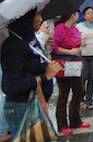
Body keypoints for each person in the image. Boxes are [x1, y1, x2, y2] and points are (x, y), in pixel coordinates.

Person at [1, 9, 61, 138]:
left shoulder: (28, 37)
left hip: (35, 103)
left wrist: (45, 54)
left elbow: (31, 63)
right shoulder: (13, 46)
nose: (40, 18)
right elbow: (10, 86)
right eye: (36, 15)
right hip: (22, 107)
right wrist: (45, 77)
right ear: (25, 19)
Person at [53, 12, 91, 136]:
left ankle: (75, 121)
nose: (78, 16)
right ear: (71, 15)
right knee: (64, 94)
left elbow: (75, 43)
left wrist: (80, 45)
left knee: (79, 91)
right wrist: (70, 51)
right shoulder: (59, 29)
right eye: (76, 14)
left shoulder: (74, 28)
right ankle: (62, 124)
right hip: (63, 65)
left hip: (75, 64)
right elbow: (54, 47)